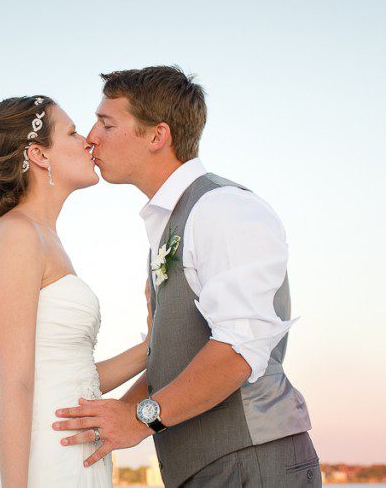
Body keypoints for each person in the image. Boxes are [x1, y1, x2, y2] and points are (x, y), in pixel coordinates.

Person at [54, 66, 318, 487]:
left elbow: (237, 350)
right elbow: (175, 354)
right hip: (205, 469)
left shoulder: (223, 209)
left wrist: (141, 419)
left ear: (157, 136)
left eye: (106, 123)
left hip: (251, 463)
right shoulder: (169, 223)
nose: (91, 137)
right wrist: (113, 417)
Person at [0, 95, 151, 488]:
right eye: (71, 131)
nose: (88, 141)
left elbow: (71, 376)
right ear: (39, 154)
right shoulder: (17, 235)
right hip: (39, 460)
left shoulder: (46, 238)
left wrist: (152, 344)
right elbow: (14, 382)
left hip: (74, 452)